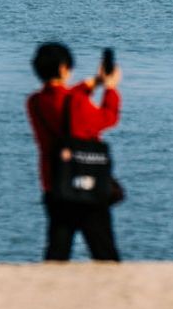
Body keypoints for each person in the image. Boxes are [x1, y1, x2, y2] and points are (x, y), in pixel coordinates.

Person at [26, 41, 122, 262]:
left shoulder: (34, 103)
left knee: (57, 253)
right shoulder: (76, 102)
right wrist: (110, 88)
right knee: (105, 254)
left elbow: (65, 99)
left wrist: (95, 82)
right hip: (87, 185)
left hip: (55, 185)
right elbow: (108, 118)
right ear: (63, 68)